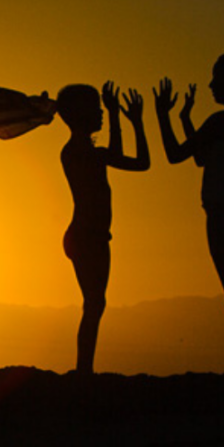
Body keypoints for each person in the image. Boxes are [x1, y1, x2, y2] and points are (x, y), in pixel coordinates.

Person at [154, 53, 224, 376]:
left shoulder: (221, 121)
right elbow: (202, 157)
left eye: (216, 78)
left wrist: (162, 115)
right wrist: (185, 119)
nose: (211, 85)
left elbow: (176, 154)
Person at [58, 82, 150, 374]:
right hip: (86, 236)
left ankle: (84, 368)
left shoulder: (83, 151)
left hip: (90, 236)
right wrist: (128, 120)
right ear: (80, 113)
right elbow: (137, 161)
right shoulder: (79, 152)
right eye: (96, 109)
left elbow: (138, 163)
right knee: (94, 304)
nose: (99, 114)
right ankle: (83, 369)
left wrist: (118, 117)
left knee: (95, 304)